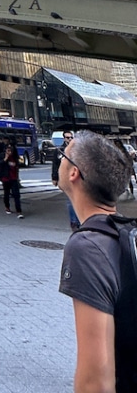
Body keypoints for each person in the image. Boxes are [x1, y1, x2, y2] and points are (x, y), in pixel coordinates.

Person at [57, 130, 136, 393]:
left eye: (63, 154)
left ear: (74, 173)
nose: (59, 159)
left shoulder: (88, 248)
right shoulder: (129, 233)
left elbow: (96, 382)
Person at [52, 130, 81, 231]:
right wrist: (54, 177)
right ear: (64, 138)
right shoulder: (60, 150)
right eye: (67, 138)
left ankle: (78, 220)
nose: (69, 139)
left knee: (77, 199)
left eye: (71, 137)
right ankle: (74, 221)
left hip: (76, 177)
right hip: (65, 177)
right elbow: (55, 164)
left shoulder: (76, 150)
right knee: (70, 200)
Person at [0, 141, 23, 217]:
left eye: (10, 150)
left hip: (14, 178)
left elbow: (17, 166)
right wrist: (5, 158)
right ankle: (7, 207)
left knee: (16, 195)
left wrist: (17, 178)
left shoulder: (14, 157)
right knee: (6, 194)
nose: (9, 152)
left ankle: (19, 211)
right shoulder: (2, 156)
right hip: (6, 178)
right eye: (8, 150)